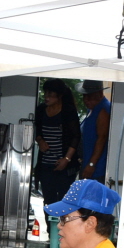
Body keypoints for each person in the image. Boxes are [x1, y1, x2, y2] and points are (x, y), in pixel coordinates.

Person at [34, 78, 81, 206]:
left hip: (66, 165)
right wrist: (40, 141)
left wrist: (67, 159)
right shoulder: (40, 110)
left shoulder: (68, 111)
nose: (46, 97)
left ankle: (62, 225)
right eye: (45, 94)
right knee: (48, 200)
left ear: (59, 95)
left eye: (50, 94)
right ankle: (50, 226)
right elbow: (36, 131)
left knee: (63, 200)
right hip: (45, 164)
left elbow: (76, 136)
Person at [79, 80, 111, 183]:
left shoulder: (103, 110)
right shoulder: (91, 109)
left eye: (90, 97)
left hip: (96, 169)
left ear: (100, 94)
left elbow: (102, 138)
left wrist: (91, 164)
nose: (86, 100)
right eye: (84, 96)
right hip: (87, 163)